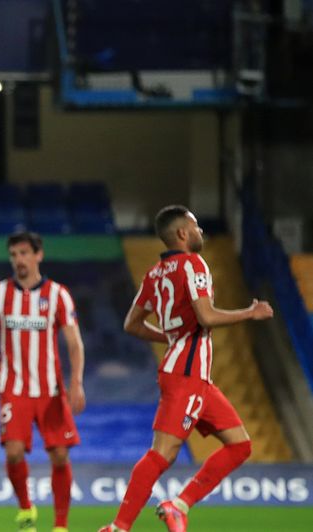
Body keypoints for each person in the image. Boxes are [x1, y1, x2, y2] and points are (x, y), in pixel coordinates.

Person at [98, 206, 273, 532]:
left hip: (195, 377)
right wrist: (249, 312)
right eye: (195, 227)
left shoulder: (154, 274)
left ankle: (178, 505)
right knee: (162, 454)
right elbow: (206, 317)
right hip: (186, 376)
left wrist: (169, 336)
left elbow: (131, 324)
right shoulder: (194, 263)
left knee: (240, 445)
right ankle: (119, 527)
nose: (201, 232)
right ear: (182, 233)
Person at [0, 231, 86, 532]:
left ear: (38, 255)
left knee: (59, 455)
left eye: (23, 253)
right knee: (14, 451)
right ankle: (26, 509)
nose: (18, 259)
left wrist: (77, 382)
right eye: (13, 254)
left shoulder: (58, 294)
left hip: (50, 389)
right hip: (13, 389)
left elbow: (74, 342)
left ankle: (60, 525)